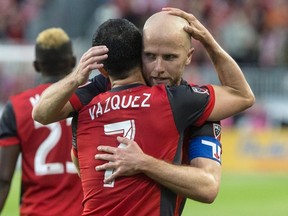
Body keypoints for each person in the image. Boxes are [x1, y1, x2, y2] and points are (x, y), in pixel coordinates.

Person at [32, 7, 255, 209]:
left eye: (169, 57)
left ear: (188, 57)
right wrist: (75, 78)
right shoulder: (102, 87)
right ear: (138, 54)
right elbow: (42, 114)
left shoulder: (195, 105)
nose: (158, 68)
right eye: (150, 56)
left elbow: (208, 187)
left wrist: (144, 163)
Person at [0, 28, 83, 215]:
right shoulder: (91, 100)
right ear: (72, 61)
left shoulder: (17, 107)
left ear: (37, 65)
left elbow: (4, 178)